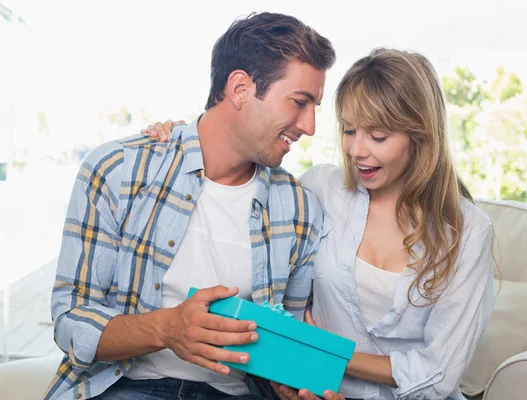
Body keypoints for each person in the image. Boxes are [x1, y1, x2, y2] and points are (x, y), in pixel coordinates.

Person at [147, 48, 496, 400]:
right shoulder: (320, 190)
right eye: (349, 130)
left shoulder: (468, 232)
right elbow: (234, 173)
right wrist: (183, 138)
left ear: (419, 136)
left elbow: (439, 375)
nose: (357, 150)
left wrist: (325, 354)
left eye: (378, 137)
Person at [44, 12, 341, 400]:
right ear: (239, 88)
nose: (310, 126)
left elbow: (287, 340)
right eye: (300, 103)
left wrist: (292, 383)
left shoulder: (300, 209)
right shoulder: (118, 170)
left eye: (315, 106)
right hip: (126, 385)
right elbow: (71, 320)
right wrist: (167, 329)